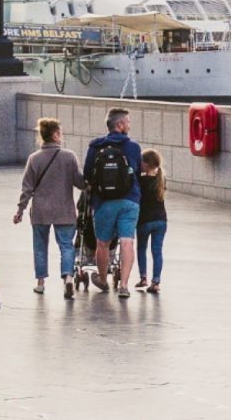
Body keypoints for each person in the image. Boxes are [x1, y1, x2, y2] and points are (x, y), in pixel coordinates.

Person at [13, 118, 81, 299]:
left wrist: (20, 210)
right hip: (64, 210)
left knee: (40, 247)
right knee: (67, 246)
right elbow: (79, 182)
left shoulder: (34, 159)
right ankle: (67, 277)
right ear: (56, 135)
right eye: (61, 132)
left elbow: (27, 188)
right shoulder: (69, 156)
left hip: (41, 211)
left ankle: (41, 283)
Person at [81, 108, 143, 296]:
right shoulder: (133, 147)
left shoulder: (95, 146)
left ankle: (102, 279)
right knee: (127, 242)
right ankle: (124, 285)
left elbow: (86, 175)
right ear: (120, 125)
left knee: (103, 243)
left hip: (103, 202)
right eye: (128, 122)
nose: (130, 125)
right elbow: (138, 173)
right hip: (129, 201)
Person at [135, 150, 168, 295]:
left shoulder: (141, 180)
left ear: (146, 164)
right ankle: (156, 281)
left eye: (142, 162)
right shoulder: (161, 178)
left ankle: (143, 278)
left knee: (142, 248)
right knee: (157, 251)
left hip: (145, 220)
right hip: (161, 220)